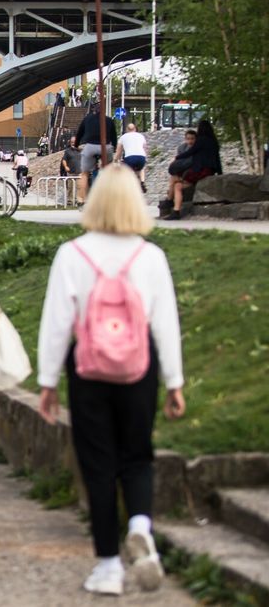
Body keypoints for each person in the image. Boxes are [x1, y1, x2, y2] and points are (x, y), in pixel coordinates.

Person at [37, 164, 186, 596]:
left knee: (97, 463)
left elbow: (56, 324)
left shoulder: (73, 254)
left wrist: (47, 381)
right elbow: (166, 325)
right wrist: (174, 381)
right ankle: (141, 526)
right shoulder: (150, 256)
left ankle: (107, 566)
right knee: (137, 454)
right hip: (139, 368)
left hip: (88, 369)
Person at [164, 121, 222, 220]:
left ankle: (173, 206)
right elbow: (217, 159)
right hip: (210, 171)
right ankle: (175, 209)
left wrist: (177, 157)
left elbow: (191, 152)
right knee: (177, 185)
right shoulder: (214, 142)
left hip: (199, 171)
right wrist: (220, 173)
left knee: (176, 181)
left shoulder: (201, 140)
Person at [74, 103, 118, 202]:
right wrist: (114, 148)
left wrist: (76, 145)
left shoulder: (87, 119)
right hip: (105, 147)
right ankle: (108, 196)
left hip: (90, 147)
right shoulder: (109, 120)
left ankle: (82, 200)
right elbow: (114, 136)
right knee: (108, 170)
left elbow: (79, 133)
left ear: (94, 110)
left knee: (84, 173)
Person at [115, 123, 149, 191]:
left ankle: (128, 186)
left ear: (127, 129)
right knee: (141, 168)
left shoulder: (123, 137)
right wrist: (145, 158)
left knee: (127, 170)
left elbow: (119, 151)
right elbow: (145, 148)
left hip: (129, 158)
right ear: (135, 129)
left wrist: (115, 160)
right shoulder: (141, 136)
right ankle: (142, 182)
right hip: (141, 157)